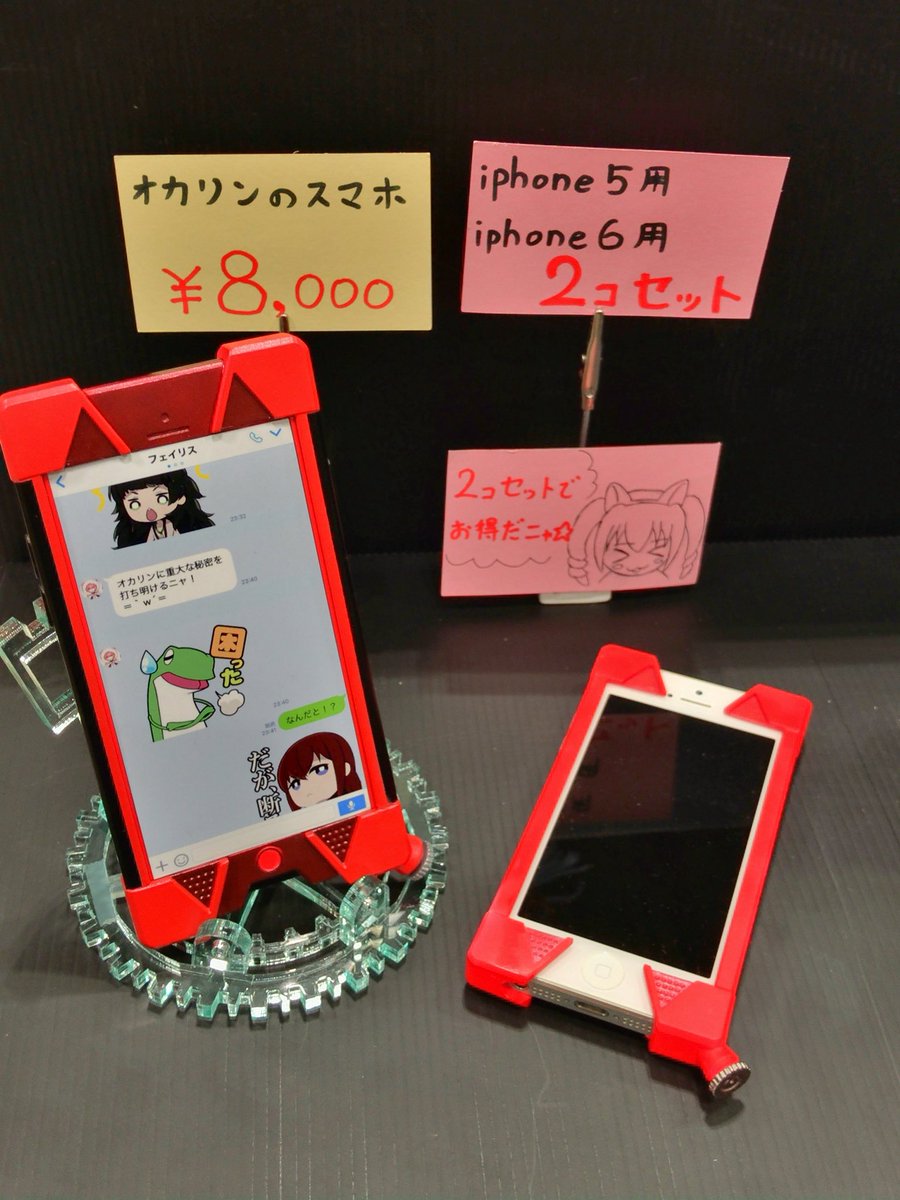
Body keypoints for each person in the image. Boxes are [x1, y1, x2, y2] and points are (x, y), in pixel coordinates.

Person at [108, 469, 214, 548]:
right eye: (135, 504)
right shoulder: (131, 535)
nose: (149, 510)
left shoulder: (193, 525)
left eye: (161, 498)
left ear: (181, 497)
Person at [276, 731, 362, 809]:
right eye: (295, 784)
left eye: (320, 770)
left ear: (346, 767)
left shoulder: (356, 802)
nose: (308, 787)